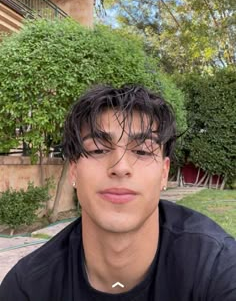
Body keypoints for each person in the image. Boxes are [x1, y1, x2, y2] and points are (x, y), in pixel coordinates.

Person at [0, 84, 236, 301]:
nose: (120, 167)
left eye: (142, 151)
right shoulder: (28, 288)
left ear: (164, 173)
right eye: (99, 148)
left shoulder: (216, 268)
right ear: (73, 170)